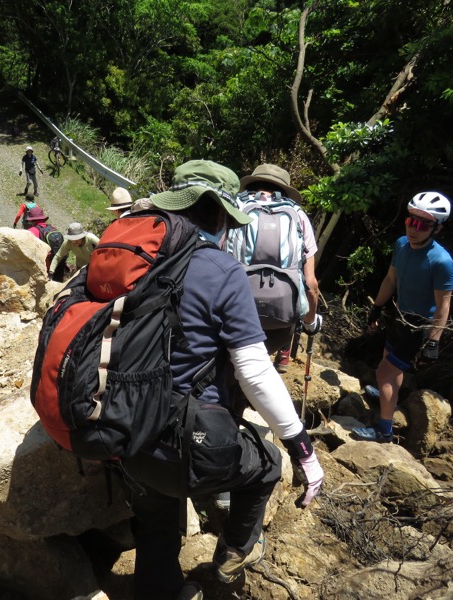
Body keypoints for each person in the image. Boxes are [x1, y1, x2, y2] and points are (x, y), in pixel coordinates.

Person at [119, 160, 324, 600]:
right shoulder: (222, 271)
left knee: (155, 520)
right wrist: (303, 450)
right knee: (267, 464)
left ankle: (160, 590)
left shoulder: (133, 258)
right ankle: (234, 550)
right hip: (188, 447)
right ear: (221, 217)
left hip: (125, 433)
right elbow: (254, 371)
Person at [353, 192, 453, 443]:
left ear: (437, 229)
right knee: (388, 362)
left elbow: (443, 305)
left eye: (422, 225)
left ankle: (384, 431)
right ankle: (386, 395)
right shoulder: (401, 245)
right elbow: (391, 279)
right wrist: (377, 307)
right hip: (399, 316)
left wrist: (434, 341)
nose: (413, 229)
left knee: (385, 372)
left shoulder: (441, 261)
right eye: (411, 221)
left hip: (419, 325)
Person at [227, 164, 322, 373]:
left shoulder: (235, 207)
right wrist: (310, 323)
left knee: (230, 372)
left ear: (252, 183)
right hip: (280, 320)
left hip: (233, 310)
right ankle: (280, 357)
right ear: (284, 189)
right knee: (255, 372)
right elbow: (311, 285)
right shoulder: (298, 215)